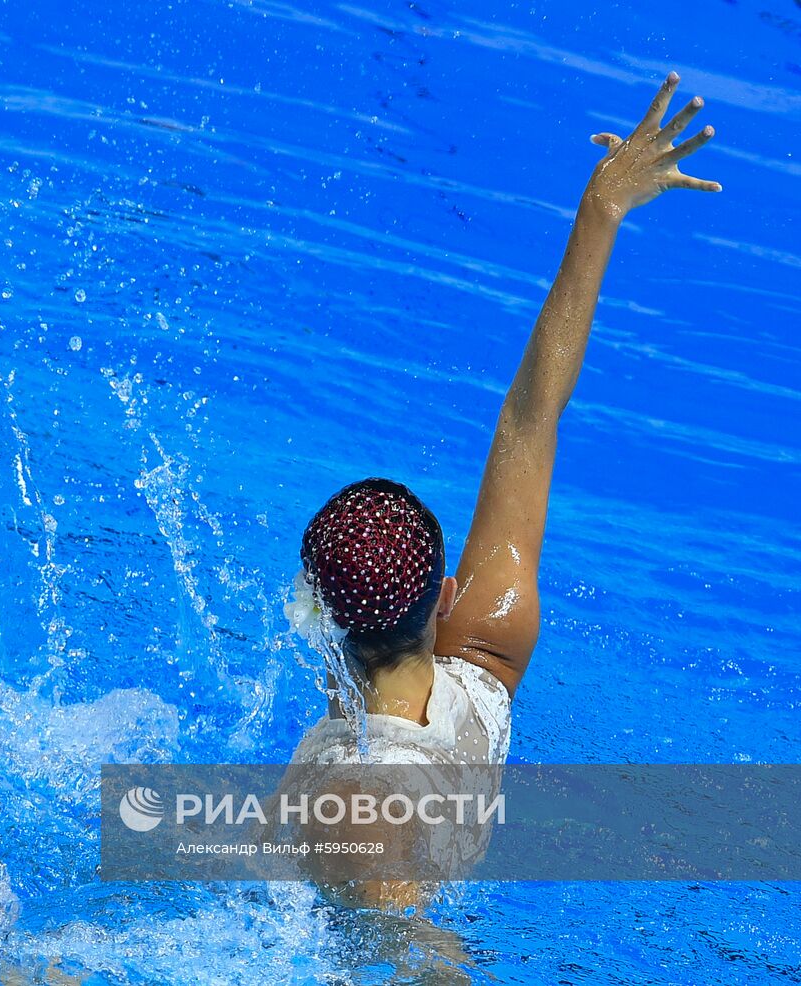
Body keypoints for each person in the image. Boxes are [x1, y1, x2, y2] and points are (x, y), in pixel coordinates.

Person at [282, 74, 721, 902]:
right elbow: (532, 416)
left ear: (319, 619)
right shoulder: (488, 651)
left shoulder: (346, 804)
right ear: (446, 596)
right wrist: (602, 210)